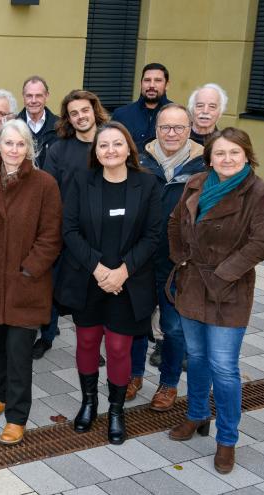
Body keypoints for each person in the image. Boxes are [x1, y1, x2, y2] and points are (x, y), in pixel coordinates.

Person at [167, 128, 264, 475]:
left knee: (224, 368)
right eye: (219, 153)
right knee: (196, 355)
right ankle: (197, 414)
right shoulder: (198, 182)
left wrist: (223, 274)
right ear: (209, 156)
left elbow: (263, 242)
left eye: (234, 153)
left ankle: (227, 439)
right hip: (191, 285)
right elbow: (174, 222)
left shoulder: (260, 192)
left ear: (247, 155)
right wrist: (180, 258)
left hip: (229, 291)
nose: (226, 159)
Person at [57, 122, 162, 445]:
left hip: (129, 283)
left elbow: (153, 235)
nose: (110, 151)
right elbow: (69, 230)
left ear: (129, 148)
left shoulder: (147, 184)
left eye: (117, 144)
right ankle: (89, 403)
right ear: (96, 151)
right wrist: (99, 270)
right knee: (87, 342)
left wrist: (122, 271)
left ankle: (116, 411)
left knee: (118, 348)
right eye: (104, 146)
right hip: (90, 279)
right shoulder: (81, 181)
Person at [0, 119, 61, 445]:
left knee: (19, 353)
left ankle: (17, 416)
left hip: (26, 283)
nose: (14, 150)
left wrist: (29, 271)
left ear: (29, 149)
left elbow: (50, 236)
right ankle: (1, 395)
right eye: (9, 143)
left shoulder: (45, 184)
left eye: (21, 144)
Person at [127, 104, 205, 406]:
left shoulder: (203, 166)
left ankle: (168, 383)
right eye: (165, 127)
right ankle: (134, 375)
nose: (171, 133)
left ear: (189, 129)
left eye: (178, 127)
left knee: (173, 327)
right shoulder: (139, 160)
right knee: (136, 321)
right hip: (141, 258)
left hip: (177, 265)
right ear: (156, 129)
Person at [34, 90, 109, 360]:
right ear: (68, 118)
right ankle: (47, 336)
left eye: (84, 111)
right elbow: (49, 192)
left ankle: (89, 343)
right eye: (74, 113)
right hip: (64, 233)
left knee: (92, 291)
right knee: (52, 288)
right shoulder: (59, 149)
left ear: (94, 110)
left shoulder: (109, 145)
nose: (80, 117)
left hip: (101, 235)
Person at [112, 63, 172, 148]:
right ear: (141, 83)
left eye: (158, 80)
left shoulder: (178, 115)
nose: (151, 85)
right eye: (147, 80)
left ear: (167, 85)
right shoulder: (121, 115)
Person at [17, 76, 59, 168]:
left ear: (47, 96)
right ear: (23, 96)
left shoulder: (60, 127)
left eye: (38, 95)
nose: (33, 100)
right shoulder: (13, 127)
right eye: (29, 96)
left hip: (52, 181)